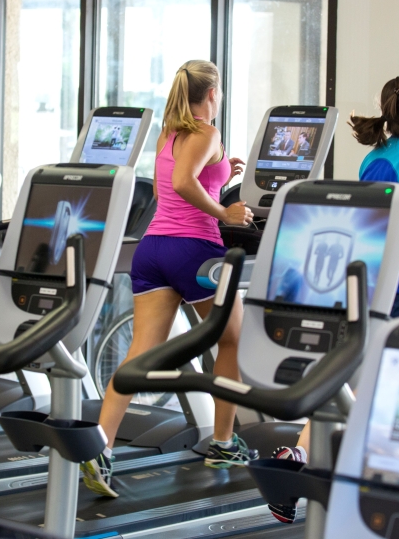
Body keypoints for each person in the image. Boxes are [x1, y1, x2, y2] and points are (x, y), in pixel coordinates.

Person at [266, 74, 399, 525]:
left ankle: (299, 456)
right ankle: (379, 477)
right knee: (396, 385)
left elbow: (379, 209)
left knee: (358, 376)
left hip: (367, 280)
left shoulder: (375, 157)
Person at [80, 60, 255, 498]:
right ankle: (224, 443)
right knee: (233, 340)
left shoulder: (169, 133)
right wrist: (224, 212)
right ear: (211, 93)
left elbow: (167, 187)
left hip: (152, 249)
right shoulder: (207, 131)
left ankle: (100, 446)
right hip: (193, 250)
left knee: (140, 354)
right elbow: (182, 182)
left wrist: (222, 176)